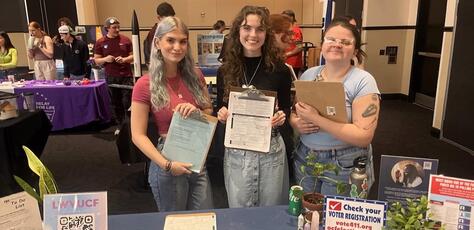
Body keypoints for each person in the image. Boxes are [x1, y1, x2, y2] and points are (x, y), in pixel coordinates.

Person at [131, 16, 213, 211]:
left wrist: (197, 112)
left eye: (183, 41)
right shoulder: (144, 84)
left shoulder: (195, 75)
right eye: (171, 40)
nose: (177, 47)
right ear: (158, 43)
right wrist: (166, 164)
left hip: (197, 157)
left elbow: (209, 111)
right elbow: (137, 135)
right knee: (176, 221)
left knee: (206, 215)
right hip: (167, 159)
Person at [291, 19, 380, 196]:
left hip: (344, 163)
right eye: (331, 39)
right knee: (307, 215)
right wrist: (295, 123)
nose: (337, 45)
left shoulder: (363, 81)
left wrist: (316, 119)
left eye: (345, 42)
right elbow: (295, 112)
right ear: (322, 44)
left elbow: (364, 136)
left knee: (335, 221)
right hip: (305, 157)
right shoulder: (309, 74)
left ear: (354, 51)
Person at [216, 6, 292, 208]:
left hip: (270, 151)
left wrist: (281, 117)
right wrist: (222, 114)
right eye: (247, 28)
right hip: (238, 152)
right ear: (237, 31)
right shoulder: (225, 70)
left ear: (266, 33)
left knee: (271, 213)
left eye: (259, 29)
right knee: (240, 216)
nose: (253, 35)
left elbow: (286, 109)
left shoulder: (281, 70)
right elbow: (221, 107)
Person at [94, 17, 133, 135]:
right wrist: (106, 59)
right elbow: (96, 60)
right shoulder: (100, 42)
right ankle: (120, 125)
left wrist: (125, 59)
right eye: (114, 27)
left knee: (127, 101)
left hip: (126, 76)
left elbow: (133, 56)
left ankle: (131, 125)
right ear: (107, 29)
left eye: (118, 27)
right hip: (111, 76)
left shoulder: (126, 40)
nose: (117, 29)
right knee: (115, 102)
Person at [282, 10, 303, 76]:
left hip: (293, 64)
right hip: (286, 62)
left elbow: (299, 47)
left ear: (292, 18)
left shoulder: (296, 30)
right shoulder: (285, 30)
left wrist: (286, 54)